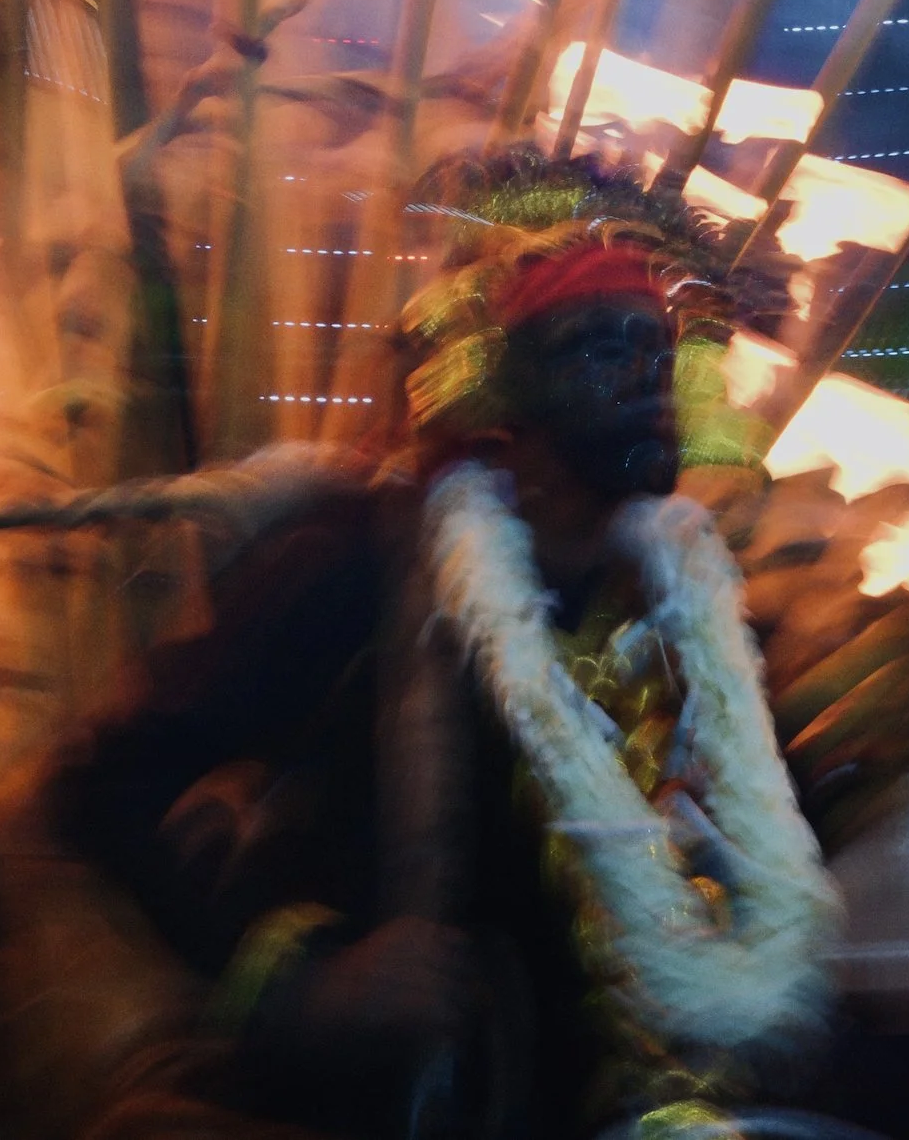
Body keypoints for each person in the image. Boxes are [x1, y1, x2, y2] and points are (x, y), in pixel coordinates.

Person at [56, 153, 845, 1140]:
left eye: (655, 346)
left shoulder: (708, 623)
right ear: (506, 395)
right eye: (598, 344)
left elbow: (787, 866)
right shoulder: (369, 568)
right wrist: (302, 981)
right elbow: (103, 783)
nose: (647, 375)